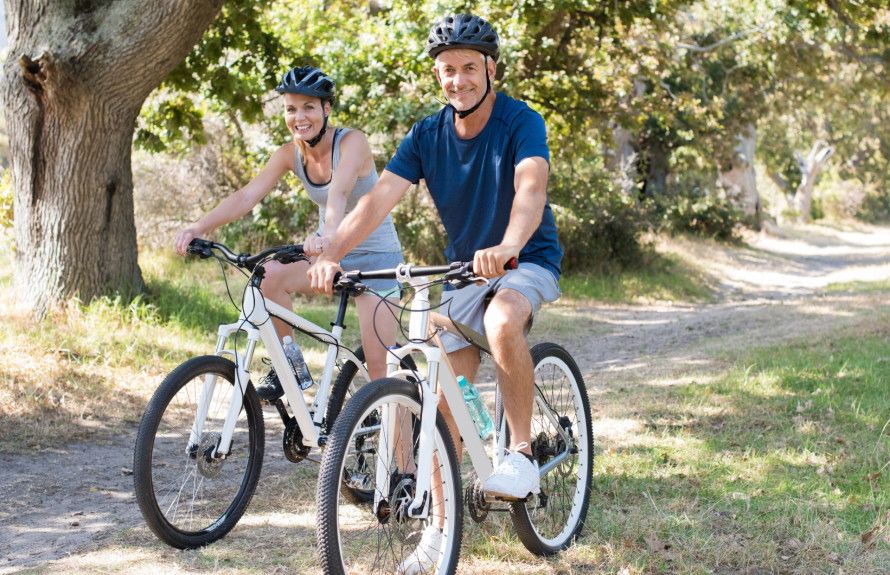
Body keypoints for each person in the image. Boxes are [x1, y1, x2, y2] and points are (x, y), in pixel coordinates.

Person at [308, 13, 562, 570]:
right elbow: (375, 205)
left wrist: (510, 243)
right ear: (438, 75)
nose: (459, 80)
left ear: (490, 68)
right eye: (448, 70)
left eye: (470, 68)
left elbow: (531, 187)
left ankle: (519, 452)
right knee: (441, 388)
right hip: (463, 272)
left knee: (501, 324)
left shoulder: (521, 121)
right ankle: (439, 528)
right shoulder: (426, 135)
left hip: (525, 259)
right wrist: (330, 253)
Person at [174, 66, 403, 396]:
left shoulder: (353, 142)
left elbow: (338, 192)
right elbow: (247, 196)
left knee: (380, 374)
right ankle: (290, 367)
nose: (299, 117)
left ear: (326, 108)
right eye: (291, 109)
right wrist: (199, 227)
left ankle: (399, 448)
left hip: (375, 261)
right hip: (328, 253)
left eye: (308, 107)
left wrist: (327, 238)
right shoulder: (289, 154)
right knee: (268, 276)